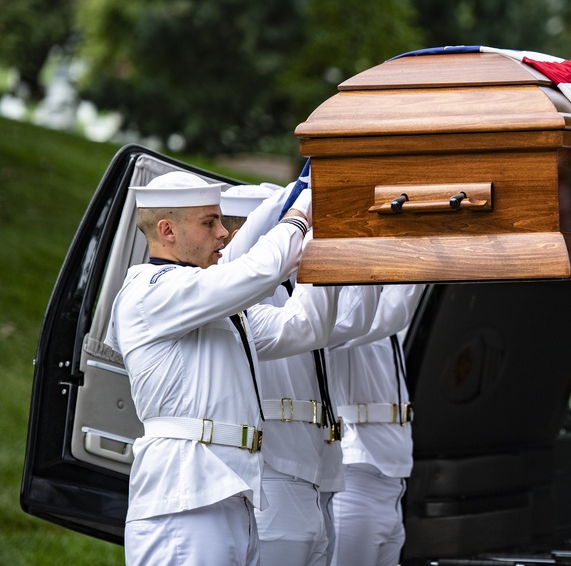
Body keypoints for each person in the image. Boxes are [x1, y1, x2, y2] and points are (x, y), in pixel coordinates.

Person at [105, 171, 341, 566]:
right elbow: (259, 272)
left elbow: (306, 327)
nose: (224, 234)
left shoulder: (213, 304)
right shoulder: (151, 289)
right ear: (167, 230)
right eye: (208, 222)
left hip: (230, 495)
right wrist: (301, 212)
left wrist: (329, 236)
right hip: (184, 501)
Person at [219, 182, 381, 566]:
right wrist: (308, 191)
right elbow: (302, 325)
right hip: (274, 469)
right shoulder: (230, 293)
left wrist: (368, 241)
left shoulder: (290, 287)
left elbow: (355, 319)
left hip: (318, 471)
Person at [327, 283, 425, 566]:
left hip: (393, 478)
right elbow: (393, 313)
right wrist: (420, 259)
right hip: (356, 476)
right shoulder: (344, 307)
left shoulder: (379, 306)